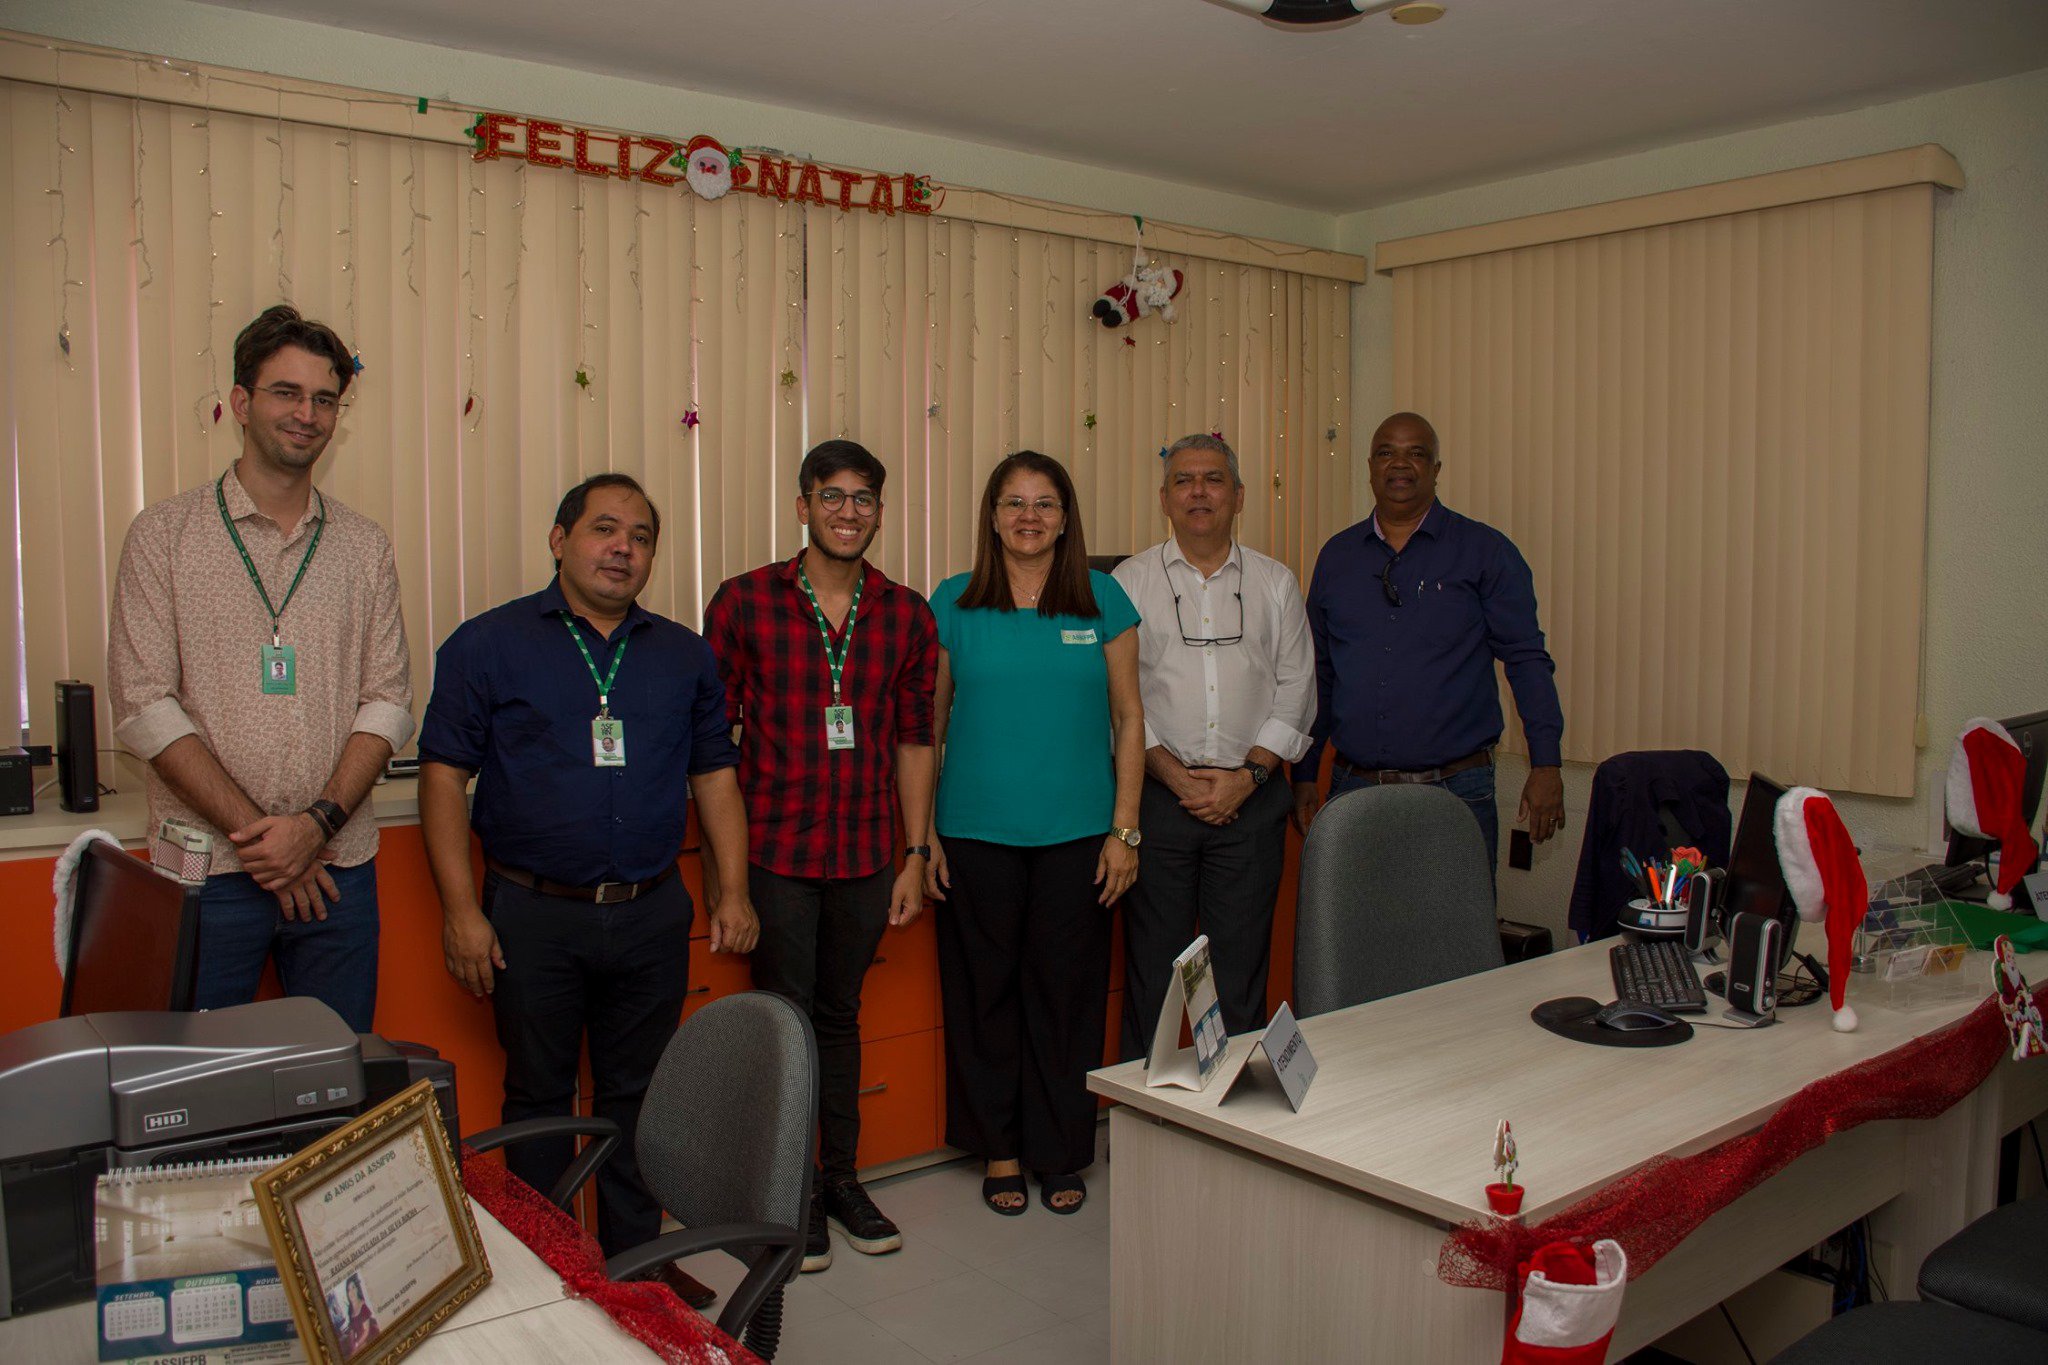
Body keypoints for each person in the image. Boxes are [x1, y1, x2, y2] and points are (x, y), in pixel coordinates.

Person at [416, 472, 755, 1311]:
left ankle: (638, 1260)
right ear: (559, 539)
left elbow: (714, 775)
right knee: (540, 1095)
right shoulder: (487, 644)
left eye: (640, 536)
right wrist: (460, 912)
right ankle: (548, 1263)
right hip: (532, 913)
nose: (622, 548)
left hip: (649, 910)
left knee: (641, 1096)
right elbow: (443, 776)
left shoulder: (683, 655)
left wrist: (734, 891)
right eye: (605, 529)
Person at [108, 304, 413, 1034]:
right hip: (206, 872)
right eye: (286, 392)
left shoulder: (364, 547)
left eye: (325, 399)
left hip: (338, 868)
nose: (307, 414)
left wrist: (314, 828)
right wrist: (270, 843)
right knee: (200, 1082)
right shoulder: (163, 537)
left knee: (337, 1076)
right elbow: (146, 706)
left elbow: (389, 702)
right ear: (241, 402)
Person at [703, 439, 938, 1273]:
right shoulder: (743, 601)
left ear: (880, 511)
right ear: (803, 505)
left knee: (840, 1018)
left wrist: (914, 854)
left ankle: (840, 1179)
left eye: (863, 498)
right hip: (776, 851)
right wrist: (726, 878)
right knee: (785, 1021)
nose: (848, 511)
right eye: (831, 495)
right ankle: (790, 1190)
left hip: (867, 851)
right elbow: (713, 746)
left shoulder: (906, 614)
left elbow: (916, 740)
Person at [925, 451, 1143, 1217]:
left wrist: (1126, 831)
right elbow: (927, 726)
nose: (1029, 515)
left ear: (1065, 517)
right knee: (983, 997)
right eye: (1013, 502)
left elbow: (1130, 719)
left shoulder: (1103, 597)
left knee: (1066, 998)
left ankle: (1060, 1150)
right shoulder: (954, 601)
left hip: (1079, 835)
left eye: (1044, 502)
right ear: (991, 516)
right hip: (973, 831)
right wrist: (922, 835)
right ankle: (1000, 1147)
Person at [1292, 411, 1565, 874]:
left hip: (1455, 790)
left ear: (1436, 469)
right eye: (1386, 453)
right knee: (1355, 917)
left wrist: (1546, 764)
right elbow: (1319, 673)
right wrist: (1304, 771)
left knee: (1455, 919)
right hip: (1354, 789)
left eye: (1416, 453)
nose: (1400, 463)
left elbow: (1526, 660)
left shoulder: (1485, 551)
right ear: (1370, 467)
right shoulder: (1337, 557)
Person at [1111, 435, 1314, 1057]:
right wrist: (1175, 777)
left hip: (1250, 803)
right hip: (1157, 803)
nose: (1198, 492)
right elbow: (1115, 699)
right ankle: (1142, 1111)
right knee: (1153, 977)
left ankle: (1234, 1107)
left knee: (1239, 976)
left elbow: (1297, 688)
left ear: (1239, 496)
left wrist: (1246, 779)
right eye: (1184, 480)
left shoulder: (1275, 582)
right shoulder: (1128, 582)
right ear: (1164, 498)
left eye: (1213, 479)